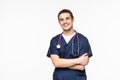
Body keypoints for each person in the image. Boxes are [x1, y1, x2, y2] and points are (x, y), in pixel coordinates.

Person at [47, 9, 93, 80]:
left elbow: (81, 66)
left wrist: (61, 63)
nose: (65, 22)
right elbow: (56, 63)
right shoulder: (55, 40)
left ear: (73, 19)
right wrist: (78, 60)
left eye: (67, 18)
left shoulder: (83, 40)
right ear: (59, 22)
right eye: (61, 20)